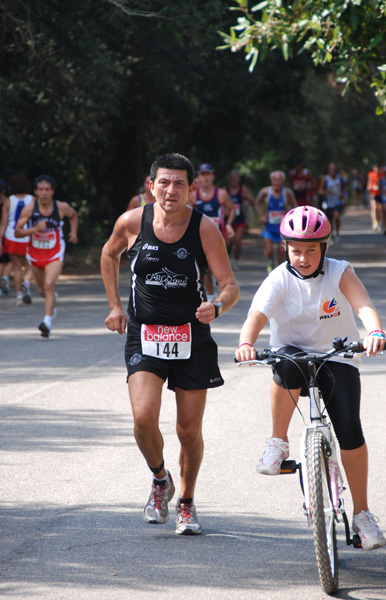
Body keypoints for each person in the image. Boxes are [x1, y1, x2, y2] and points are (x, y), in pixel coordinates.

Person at [101, 152, 240, 535]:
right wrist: (115, 305)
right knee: (143, 419)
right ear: (151, 186)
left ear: (191, 189)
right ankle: (160, 479)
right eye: (164, 182)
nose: (171, 189)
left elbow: (230, 287)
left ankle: (187, 504)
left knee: (187, 430)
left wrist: (217, 306)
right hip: (145, 335)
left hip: (191, 337)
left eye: (180, 183)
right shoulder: (132, 222)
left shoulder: (204, 228)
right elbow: (108, 255)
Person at [235, 206, 386, 551]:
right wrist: (246, 343)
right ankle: (278, 441)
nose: (303, 257)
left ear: (325, 248)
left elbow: (363, 305)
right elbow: (256, 317)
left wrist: (374, 330)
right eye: (296, 250)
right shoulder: (278, 279)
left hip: (338, 357)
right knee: (285, 362)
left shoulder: (339, 272)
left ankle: (362, 514)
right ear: (285, 247)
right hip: (293, 359)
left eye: (311, 250)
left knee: (350, 430)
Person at [14, 175, 79, 338]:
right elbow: (17, 232)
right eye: (40, 190)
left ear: (52, 191)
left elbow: (74, 215)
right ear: (35, 192)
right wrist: (34, 229)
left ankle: (47, 322)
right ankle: (52, 301)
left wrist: (73, 232)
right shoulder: (29, 209)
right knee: (42, 290)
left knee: (49, 285)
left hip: (55, 252)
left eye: (47, 189)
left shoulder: (61, 207)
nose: (44, 193)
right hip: (35, 254)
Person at [188, 163, 236, 300]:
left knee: (217, 266)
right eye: (203, 175)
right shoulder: (193, 196)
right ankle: (209, 295)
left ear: (213, 176)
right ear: (199, 177)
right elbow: (186, 214)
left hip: (219, 234)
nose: (206, 178)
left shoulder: (221, 194)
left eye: (208, 174)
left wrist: (229, 225)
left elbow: (232, 209)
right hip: (201, 236)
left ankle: (222, 291)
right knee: (206, 268)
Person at [0, 173, 34, 306]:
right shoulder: (33, 200)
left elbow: (3, 223)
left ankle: (19, 296)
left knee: (16, 267)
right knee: (29, 266)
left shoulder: (8, 201)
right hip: (28, 236)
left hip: (12, 236)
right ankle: (27, 283)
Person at [255, 170, 296, 272]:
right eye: (274, 180)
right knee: (268, 251)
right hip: (268, 227)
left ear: (283, 181)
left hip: (282, 228)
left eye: (279, 180)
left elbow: (294, 205)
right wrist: (262, 215)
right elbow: (257, 202)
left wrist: (291, 217)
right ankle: (271, 261)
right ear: (271, 181)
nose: (276, 182)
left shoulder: (287, 193)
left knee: (281, 252)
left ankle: (278, 270)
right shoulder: (265, 192)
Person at [225, 170, 254, 270]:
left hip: (240, 220)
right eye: (232, 178)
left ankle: (236, 262)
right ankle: (226, 261)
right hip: (227, 220)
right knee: (226, 243)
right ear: (230, 179)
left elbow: (253, 201)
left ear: (239, 180)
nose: (234, 180)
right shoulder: (225, 190)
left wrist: (247, 200)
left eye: (236, 178)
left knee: (237, 241)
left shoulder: (243, 190)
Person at [317, 163, 346, 243]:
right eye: (331, 169)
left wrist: (342, 194)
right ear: (328, 170)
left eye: (334, 169)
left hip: (337, 202)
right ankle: (331, 235)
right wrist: (327, 192)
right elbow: (320, 191)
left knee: (336, 216)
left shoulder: (340, 179)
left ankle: (337, 233)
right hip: (328, 203)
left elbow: (343, 190)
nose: (333, 171)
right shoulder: (325, 179)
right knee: (329, 221)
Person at [366, 162, 383, 231]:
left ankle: (380, 222)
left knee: (380, 208)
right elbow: (369, 183)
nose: (377, 170)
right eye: (376, 169)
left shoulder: (382, 175)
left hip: (380, 194)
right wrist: (369, 187)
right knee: (374, 207)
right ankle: (374, 222)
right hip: (373, 193)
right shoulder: (371, 174)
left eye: (378, 169)